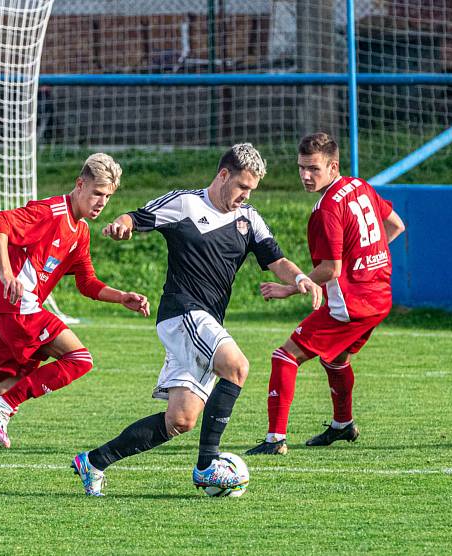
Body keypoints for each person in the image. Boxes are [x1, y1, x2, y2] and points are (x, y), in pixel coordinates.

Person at [71, 143, 323, 496]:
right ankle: (207, 466)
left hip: (206, 323)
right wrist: (120, 225)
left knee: (181, 420)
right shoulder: (185, 203)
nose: (245, 195)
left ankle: (94, 461)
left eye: (251, 190)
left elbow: (276, 260)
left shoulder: (248, 220)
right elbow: (138, 216)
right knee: (236, 366)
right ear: (223, 175)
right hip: (183, 313)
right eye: (242, 187)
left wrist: (300, 279)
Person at [0, 153, 150, 487]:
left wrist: (120, 296)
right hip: (17, 308)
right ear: (80, 184)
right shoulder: (51, 211)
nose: (101, 203)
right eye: (97, 193)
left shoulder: (80, 232)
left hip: (6, 314)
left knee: (1, 396)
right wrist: (7, 273)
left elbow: (87, 283)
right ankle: (3, 407)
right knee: (79, 359)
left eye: (108, 197)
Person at [245, 132, 405, 456]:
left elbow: (330, 269)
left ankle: (274, 440)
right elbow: (396, 226)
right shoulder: (361, 186)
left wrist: (289, 288)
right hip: (380, 296)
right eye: (301, 168)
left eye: (314, 169)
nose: (306, 176)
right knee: (335, 358)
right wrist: (367, 258)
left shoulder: (327, 209)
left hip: (352, 301)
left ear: (333, 166)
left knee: (285, 356)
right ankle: (343, 425)